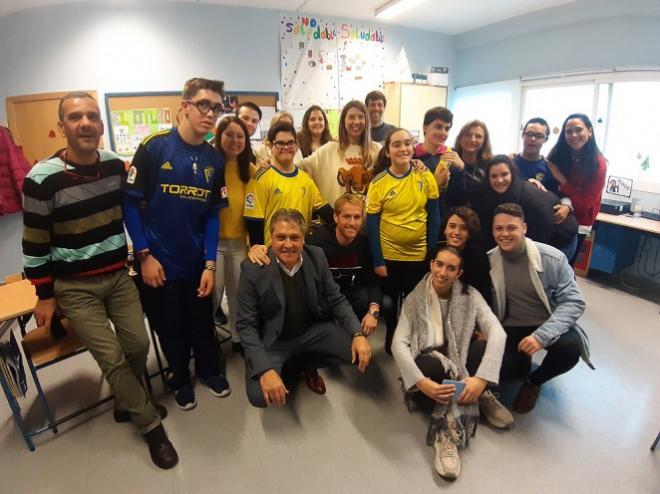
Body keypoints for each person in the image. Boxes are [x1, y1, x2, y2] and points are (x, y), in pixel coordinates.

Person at [22, 92, 178, 469]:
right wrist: (44, 295)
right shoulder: (40, 179)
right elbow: (34, 241)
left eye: (92, 116)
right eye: (76, 117)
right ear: (63, 127)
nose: (86, 123)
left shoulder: (113, 167)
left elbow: (133, 210)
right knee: (111, 358)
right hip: (75, 288)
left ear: (101, 124)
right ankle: (152, 427)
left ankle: (126, 402)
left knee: (138, 345)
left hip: (117, 276)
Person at [124, 78, 231, 411]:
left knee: (202, 322)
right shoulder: (155, 147)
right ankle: (180, 378)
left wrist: (210, 264)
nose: (210, 113)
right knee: (170, 327)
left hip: (197, 263)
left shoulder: (215, 158)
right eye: (203, 105)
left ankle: (210, 371)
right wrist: (144, 255)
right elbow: (129, 204)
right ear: (184, 106)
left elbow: (213, 216)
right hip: (158, 263)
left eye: (216, 107)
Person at [392, 246, 509, 480]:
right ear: (431, 264)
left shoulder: (470, 295)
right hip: (432, 370)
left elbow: (497, 331)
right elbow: (398, 343)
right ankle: (446, 434)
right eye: (439, 264)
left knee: (482, 348)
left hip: (461, 363)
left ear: (459, 273)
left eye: (451, 268)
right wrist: (422, 383)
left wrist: (481, 378)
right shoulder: (415, 300)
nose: (443, 273)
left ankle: (478, 391)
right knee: (432, 367)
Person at [236, 209, 372, 407]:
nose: (288, 244)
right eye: (281, 237)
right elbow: (245, 326)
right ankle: (287, 364)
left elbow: (336, 298)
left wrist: (358, 333)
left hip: (311, 330)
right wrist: (265, 370)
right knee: (259, 396)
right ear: (271, 238)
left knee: (353, 353)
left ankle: (306, 363)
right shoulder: (252, 268)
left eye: (295, 237)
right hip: (275, 340)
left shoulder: (316, 256)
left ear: (303, 239)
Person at [489, 203, 594, 414]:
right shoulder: (489, 261)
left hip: (546, 322)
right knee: (506, 372)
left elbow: (574, 301)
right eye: (498, 229)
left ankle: (534, 382)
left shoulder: (552, 258)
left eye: (511, 228)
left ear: (524, 228)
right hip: (510, 325)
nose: (505, 234)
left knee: (571, 348)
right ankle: (521, 362)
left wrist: (541, 337)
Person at [367, 128, 440, 353]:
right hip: (389, 255)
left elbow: (435, 217)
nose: (403, 148)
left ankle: (407, 339)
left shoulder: (425, 175)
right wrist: (378, 260)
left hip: (418, 256)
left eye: (407, 143)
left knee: (412, 302)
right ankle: (391, 332)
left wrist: (430, 252)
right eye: (397, 144)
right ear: (388, 151)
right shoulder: (378, 182)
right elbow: (372, 225)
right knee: (390, 303)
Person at [307, 193, 394, 340]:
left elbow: (373, 280)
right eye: (347, 216)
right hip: (325, 299)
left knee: (387, 303)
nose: (353, 223)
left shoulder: (364, 244)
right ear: (336, 217)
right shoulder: (316, 242)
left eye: (357, 217)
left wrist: (373, 310)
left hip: (351, 294)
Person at [243, 122, 333, 250]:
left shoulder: (305, 179)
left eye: (290, 143)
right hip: (271, 255)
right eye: (280, 143)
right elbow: (253, 222)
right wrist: (259, 253)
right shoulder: (259, 179)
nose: (286, 147)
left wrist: (345, 220)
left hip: (299, 252)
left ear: (297, 146)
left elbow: (323, 209)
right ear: (270, 146)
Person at [473, 155, 578, 260]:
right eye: (494, 176)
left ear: (512, 174)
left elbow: (540, 238)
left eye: (504, 174)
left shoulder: (530, 199)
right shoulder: (490, 195)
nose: (500, 180)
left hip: (560, 239)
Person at [213, 116, 257, 355]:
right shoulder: (211, 166)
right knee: (214, 292)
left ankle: (238, 338)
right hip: (213, 244)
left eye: (240, 136)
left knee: (238, 294)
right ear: (219, 136)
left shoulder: (248, 169)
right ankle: (208, 337)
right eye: (229, 134)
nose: (235, 140)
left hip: (240, 243)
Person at [547, 113, 608, 265]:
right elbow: (549, 183)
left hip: (579, 221)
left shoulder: (598, 164)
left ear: (589, 131)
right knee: (547, 262)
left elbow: (582, 205)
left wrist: (561, 179)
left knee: (565, 266)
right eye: (568, 131)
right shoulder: (558, 154)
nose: (573, 135)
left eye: (578, 130)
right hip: (555, 212)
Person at [300, 100, 380, 204]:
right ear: (343, 121)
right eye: (351, 117)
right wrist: (273, 165)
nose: (356, 121)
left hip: (367, 217)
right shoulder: (329, 150)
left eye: (361, 117)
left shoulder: (377, 149)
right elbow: (298, 166)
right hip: (335, 218)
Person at [413, 107, 467, 217]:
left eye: (447, 129)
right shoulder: (412, 156)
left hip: (444, 221)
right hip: (416, 220)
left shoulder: (452, 157)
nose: (443, 133)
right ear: (425, 127)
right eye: (438, 127)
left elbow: (459, 201)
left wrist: (461, 170)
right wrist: (435, 183)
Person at [441, 207, 492, 307]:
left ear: (469, 233)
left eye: (463, 228)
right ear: (445, 230)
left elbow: (484, 297)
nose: (456, 232)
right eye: (452, 226)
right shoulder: (434, 254)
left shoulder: (479, 258)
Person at [454, 120, 493, 202]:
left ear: (484, 141)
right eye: (468, 135)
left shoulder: (490, 166)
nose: (472, 140)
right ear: (460, 139)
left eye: (478, 136)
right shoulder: (450, 162)